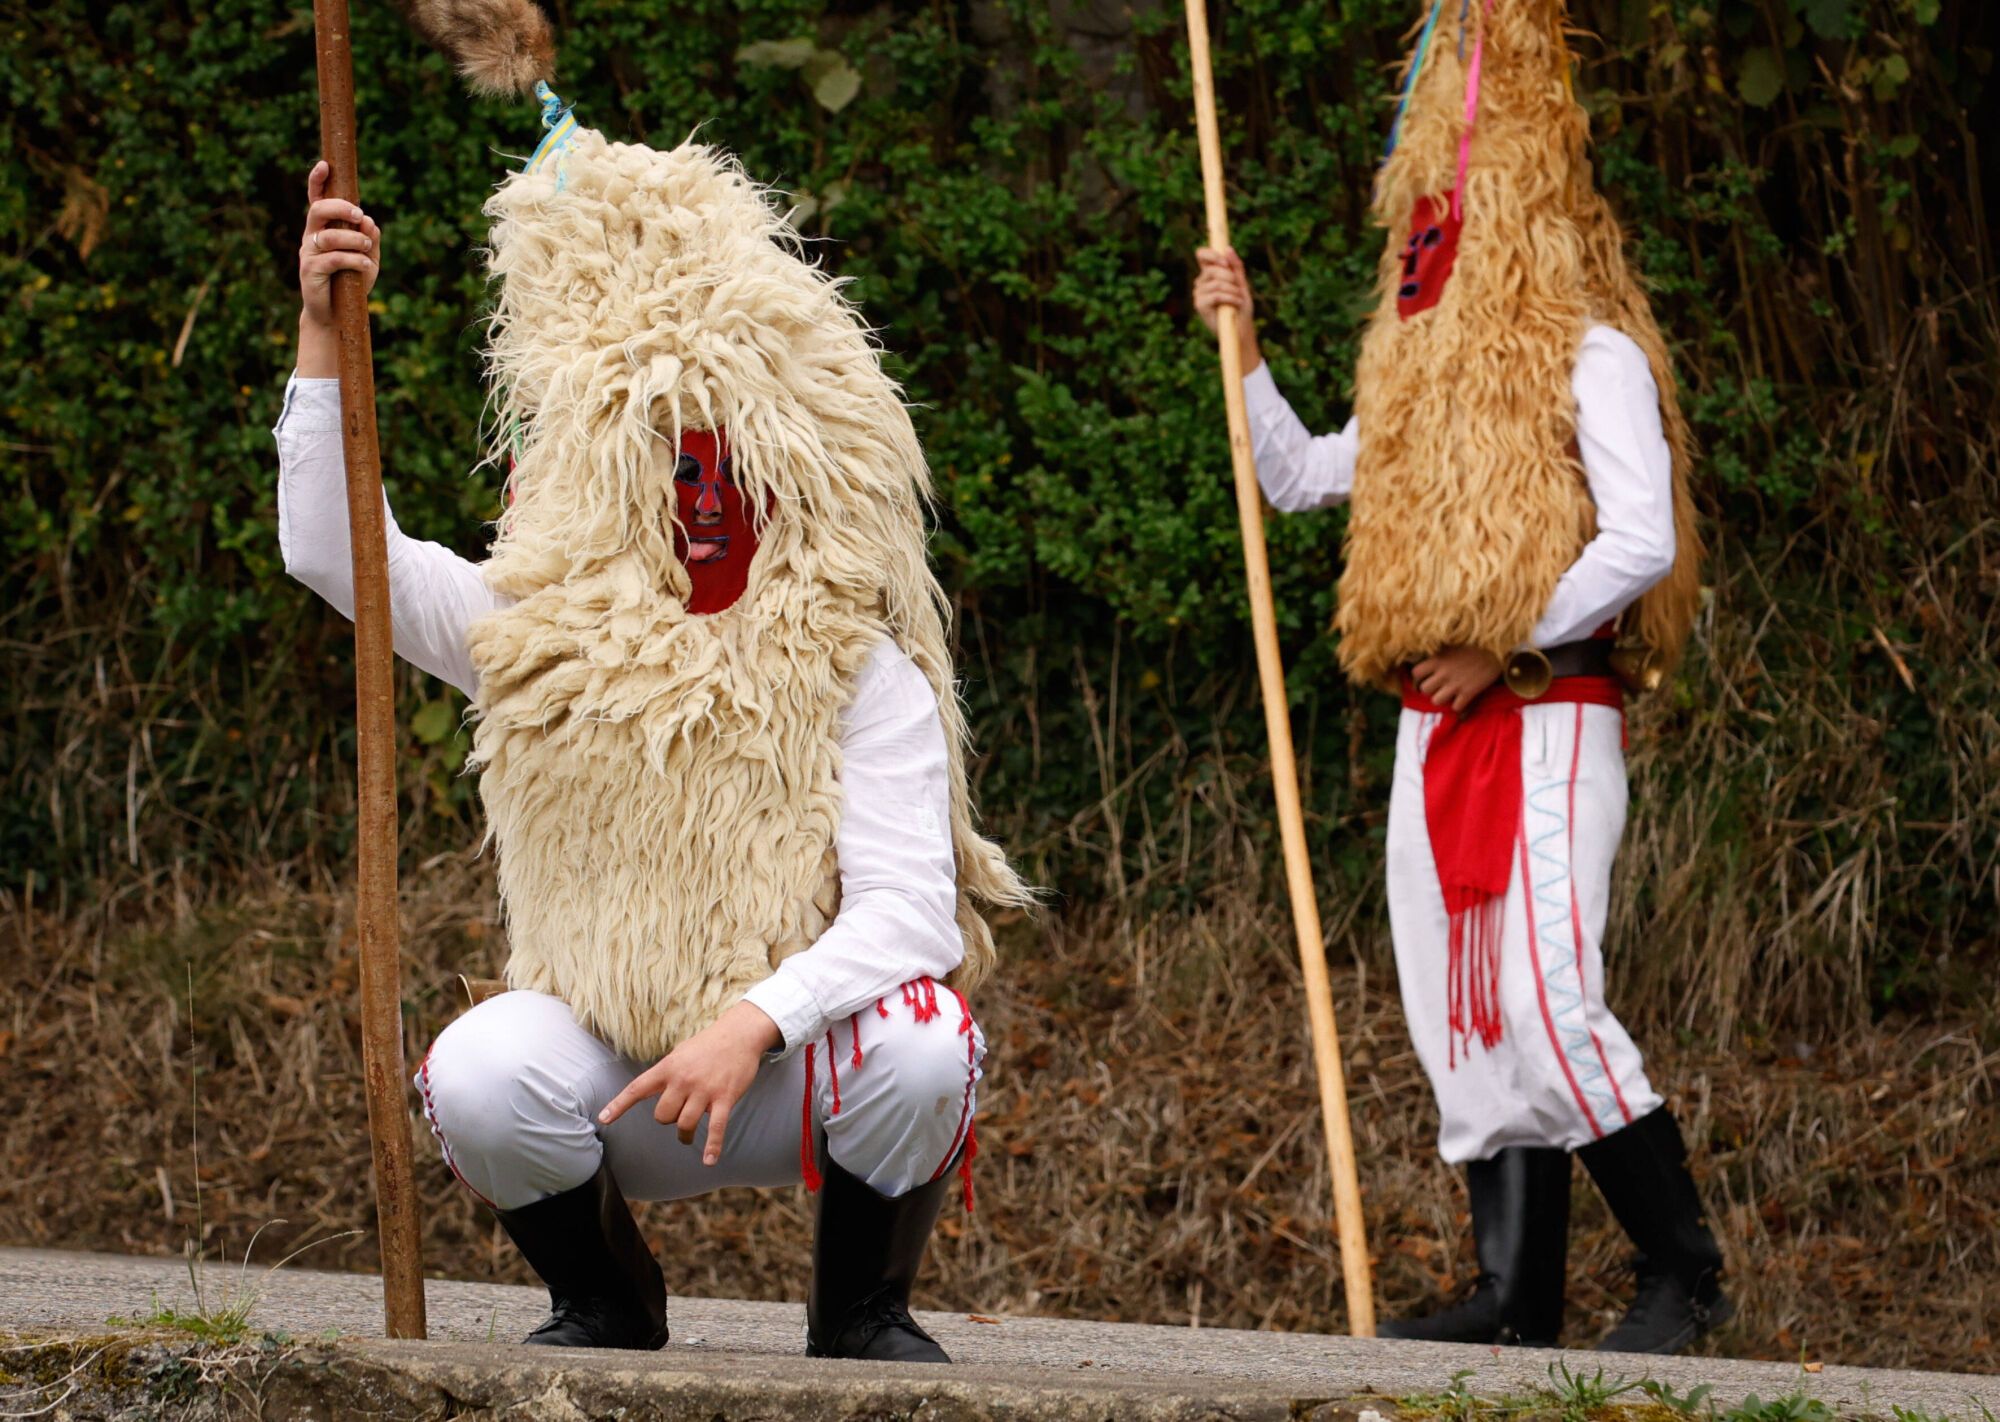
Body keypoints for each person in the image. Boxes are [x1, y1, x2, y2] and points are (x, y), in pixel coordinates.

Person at [277, 89, 1028, 1362]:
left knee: (920, 1044)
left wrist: (750, 1025)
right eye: (665, 467)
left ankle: (860, 1314)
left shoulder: (852, 660)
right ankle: (608, 1303)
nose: (698, 504)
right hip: (612, 1071)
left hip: (788, 1067)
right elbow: (334, 555)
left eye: (723, 465)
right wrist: (319, 331)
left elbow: (908, 912)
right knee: (476, 1072)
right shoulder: (539, 631)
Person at [1191, 0, 1727, 1356]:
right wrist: (1241, 345)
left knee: (1547, 993)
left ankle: (1683, 1270)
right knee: (1459, 1006)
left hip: (1546, 710)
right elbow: (1306, 474)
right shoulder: (1424, 392)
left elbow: (1643, 539)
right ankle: (1515, 1295)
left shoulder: (1590, 354)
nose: (1429, 240)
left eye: (1455, 216)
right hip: (1438, 728)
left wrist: (1509, 637)